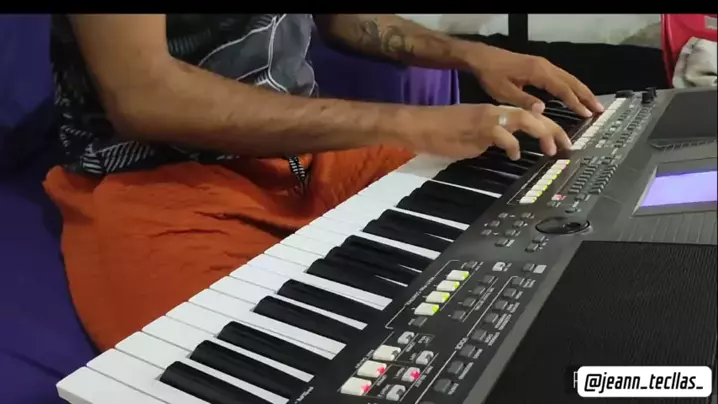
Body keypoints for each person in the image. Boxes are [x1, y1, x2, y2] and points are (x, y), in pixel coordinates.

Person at [46, 14, 604, 351]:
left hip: (312, 155)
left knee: (533, 212)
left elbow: (344, 19)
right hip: (156, 182)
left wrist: (473, 55)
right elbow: (143, 95)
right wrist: (412, 122)